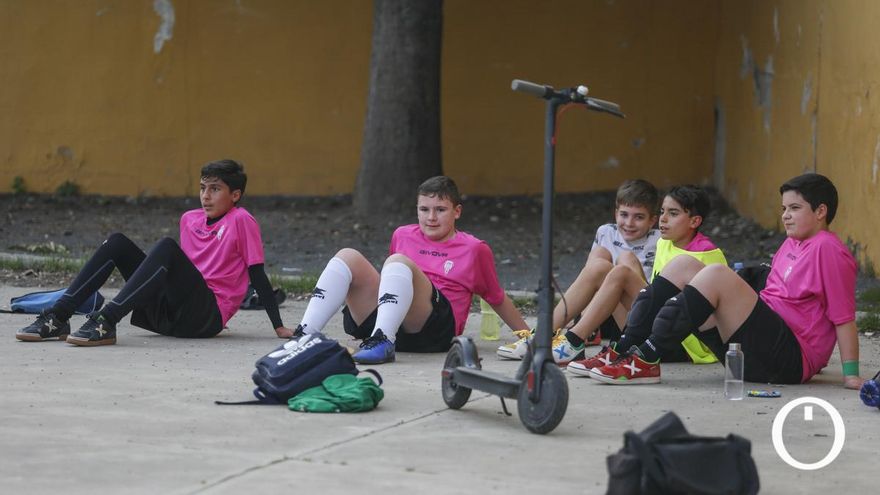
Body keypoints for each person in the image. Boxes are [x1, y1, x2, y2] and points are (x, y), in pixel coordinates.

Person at [589, 173, 864, 390]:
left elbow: (843, 317)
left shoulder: (828, 249)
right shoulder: (793, 242)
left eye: (795, 208)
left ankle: (646, 359)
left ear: (820, 211)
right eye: (783, 208)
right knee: (684, 265)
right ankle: (623, 350)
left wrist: (851, 375)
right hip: (756, 348)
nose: (785, 215)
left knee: (716, 274)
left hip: (788, 360)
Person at [15, 159, 292, 345]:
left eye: (215, 189)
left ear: (235, 195)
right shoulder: (189, 219)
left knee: (166, 248)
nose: (206, 196)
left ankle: (106, 321)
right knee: (117, 243)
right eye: (203, 188)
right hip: (173, 313)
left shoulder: (241, 220)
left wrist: (278, 327)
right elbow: (183, 274)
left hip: (204, 318)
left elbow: (257, 274)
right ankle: (58, 316)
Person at [293, 176, 529, 365]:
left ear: (457, 212)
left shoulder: (474, 248)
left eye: (440, 210)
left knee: (398, 261)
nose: (431, 217)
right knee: (347, 255)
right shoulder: (403, 235)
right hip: (398, 326)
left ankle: (382, 341)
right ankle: (304, 336)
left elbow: (496, 297)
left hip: (435, 332)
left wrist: (528, 338)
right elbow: (391, 285)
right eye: (424, 209)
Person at [560, 185, 726, 371]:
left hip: (684, 344)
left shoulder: (707, 254)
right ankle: (553, 337)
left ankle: (574, 342)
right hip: (655, 327)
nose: (663, 219)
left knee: (621, 273)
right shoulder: (664, 243)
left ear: (694, 221)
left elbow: (717, 316)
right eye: (662, 211)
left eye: (673, 213)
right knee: (615, 268)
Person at [496, 179, 661, 361]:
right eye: (624, 214)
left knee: (624, 259)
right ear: (615, 213)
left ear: (653, 220)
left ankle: (565, 336)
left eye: (638, 217)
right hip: (605, 315)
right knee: (600, 255)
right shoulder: (606, 232)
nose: (629, 223)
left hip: (637, 319)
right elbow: (591, 275)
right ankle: (543, 335)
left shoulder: (659, 240)